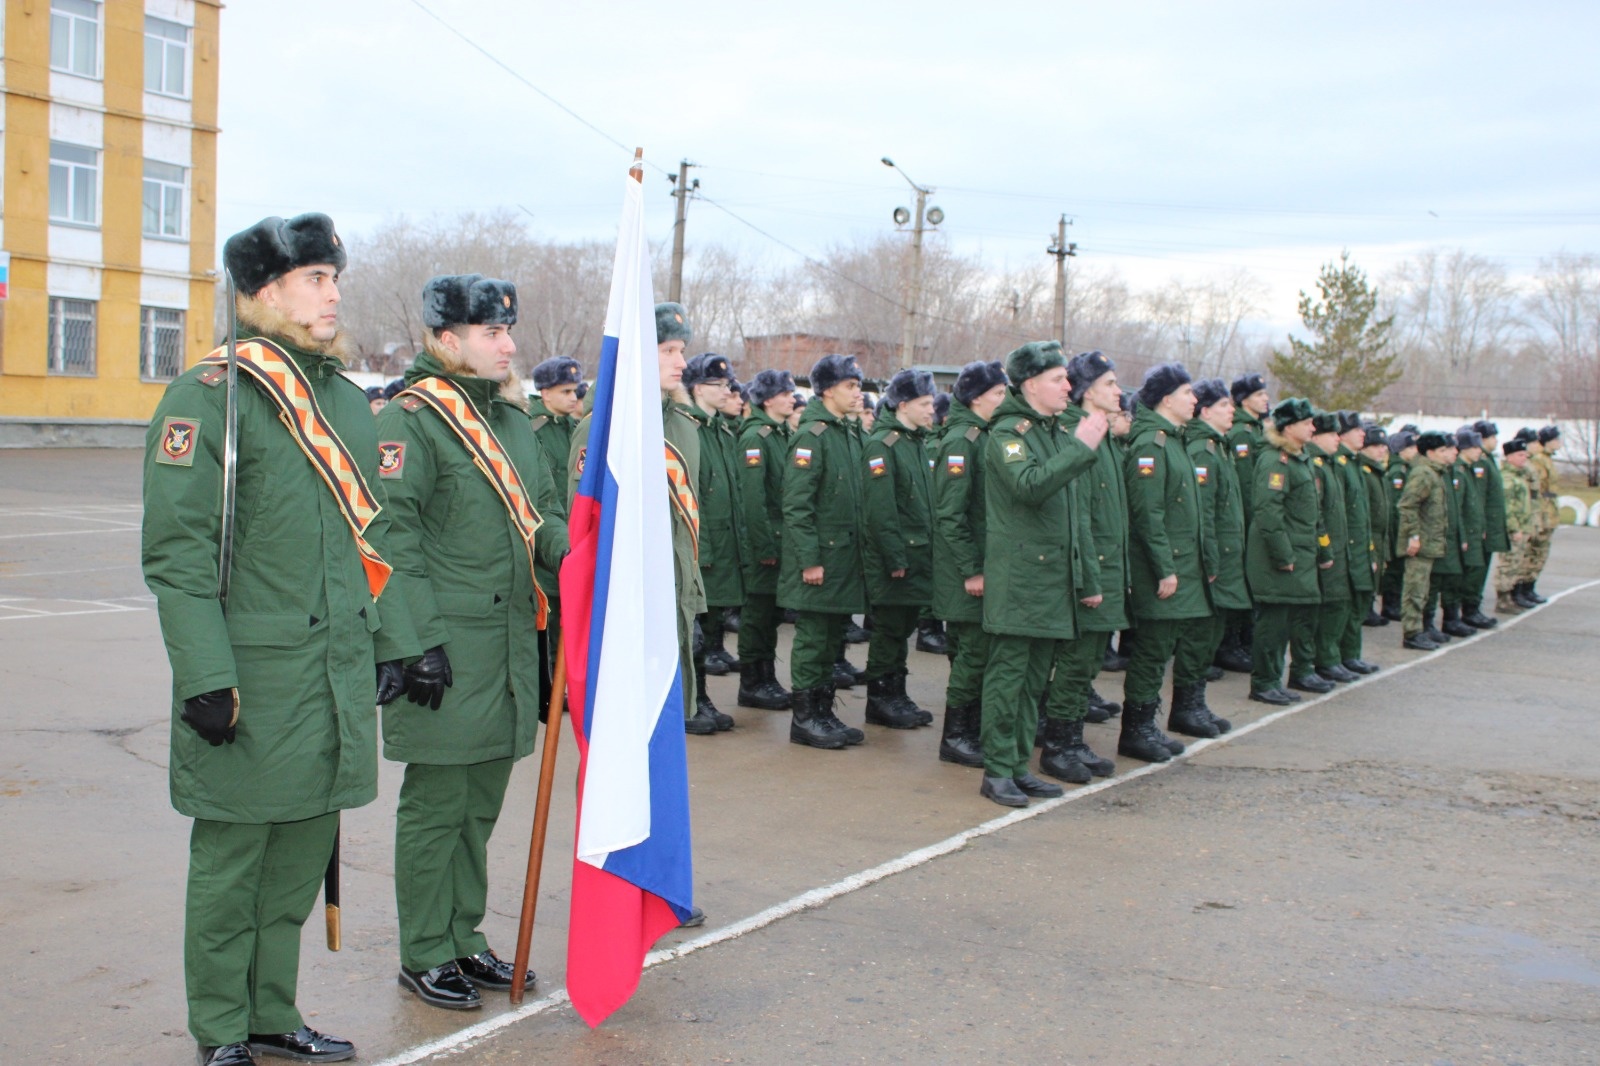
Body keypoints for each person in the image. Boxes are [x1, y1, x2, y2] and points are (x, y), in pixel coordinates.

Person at [143, 213, 413, 1066]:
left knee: (298, 860)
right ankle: (221, 1030)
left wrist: (393, 643)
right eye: (315, 279)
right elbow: (178, 557)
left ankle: (271, 1013)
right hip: (252, 678)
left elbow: (376, 542)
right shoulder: (210, 395)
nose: (333, 294)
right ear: (265, 294)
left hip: (330, 674)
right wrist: (202, 676)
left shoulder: (341, 401)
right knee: (232, 865)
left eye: (335, 278)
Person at [377, 273, 568, 1012]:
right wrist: (414, 640)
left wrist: (572, 553)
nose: (508, 344)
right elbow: (388, 538)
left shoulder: (514, 423)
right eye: (492, 332)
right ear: (447, 339)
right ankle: (424, 949)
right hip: (445, 651)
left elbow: (541, 515)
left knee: (479, 803)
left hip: (508, 649)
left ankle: (462, 935)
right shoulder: (414, 421)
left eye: (506, 331)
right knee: (436, 807)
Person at [978, 341, 1106, 806]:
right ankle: (996, 770)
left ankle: (1016, 765)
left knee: (1034, 680)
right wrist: (1081, 448)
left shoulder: (1052, 431)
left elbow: (1074, 517)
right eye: (1058, 379)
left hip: (1051, 579)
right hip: (1021, 579)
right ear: (1031, 384)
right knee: (1009, 676)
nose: (1068, 386)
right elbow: (1029, 486)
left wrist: (1086, 578)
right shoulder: (1008, 432)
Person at [570, 304, 707, 735]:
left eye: (681, 349)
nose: (681, 362)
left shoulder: (684, 425)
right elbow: (586, 529)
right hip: (625, 610)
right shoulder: (603, 429)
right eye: (667, 350)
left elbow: (684, 524)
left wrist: (692, 598)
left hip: (673, 598)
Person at [1036, 350, 1127, 783]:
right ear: (1089, 390)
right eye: (1110, 384)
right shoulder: (1080, 435)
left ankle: (1072, 739)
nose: (1119, 391)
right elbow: (1080, 519)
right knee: (1074, 664)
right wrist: (1089, 579)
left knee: (1087, 662)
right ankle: (1058, 745)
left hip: (1107, 568)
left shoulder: (1102, 434)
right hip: (1091, 572)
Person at [1120, 363, 1212, 759]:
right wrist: (1165, 568)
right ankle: (1136, 730)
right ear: (1166, 399)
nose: (1195, 400)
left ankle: (1147, 724)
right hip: (1159, 569)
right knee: (1151, 649)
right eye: (1188, 392)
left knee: (1163, 648)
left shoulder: (1173, 441)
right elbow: (1148, 514)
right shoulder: (1150, 446)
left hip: (1179, 567)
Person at [780, 354, 870, 748]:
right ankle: (805, 718)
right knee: (814, 637)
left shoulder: (846, 433)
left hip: (844, 559)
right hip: (821, 560)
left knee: (833, 638)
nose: (858, 393)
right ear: (828, 390)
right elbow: (798, 505)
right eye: (851, 386)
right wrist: (809, 559)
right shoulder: (812, 435)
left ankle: (823, 712)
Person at [931, 360, 1008, 767]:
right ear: (977, 398)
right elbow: (950, 514)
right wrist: (971, 569)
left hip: (979, 567)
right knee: (972, 655)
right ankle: (956, 735)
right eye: (998, 394)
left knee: (975, 652)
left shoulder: (983, 436)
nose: (1005, 400)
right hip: (965, 573)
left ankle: (971, 728)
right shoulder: (962, 440)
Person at [861, 368, 940, 729]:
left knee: (903, 628)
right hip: (896, 558)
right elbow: (881, 509)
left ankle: (897, 693)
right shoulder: (883, 445)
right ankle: (880, 699)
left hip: (917, 555)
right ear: (904, 404)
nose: (932, 410)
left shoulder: (915, 442)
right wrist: (894, 556)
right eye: (925, 404)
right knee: (889, 630)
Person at [1168, 377, 1244, 735]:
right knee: (1199, 634)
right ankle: (1186, 708)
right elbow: (1204, 513)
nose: (1232, 411)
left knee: (1210, 632)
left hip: (1223, 557)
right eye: (1225, 405)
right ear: (1206, 410)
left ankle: (1196, 703)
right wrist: (1210, 560)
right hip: (1208, 559)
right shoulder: (1201, 450)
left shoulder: (1217, 447)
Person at [1244, 398, 1327, 703]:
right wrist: (1283, 556)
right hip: (1278, 559)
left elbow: (1309, 512)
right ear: (1289, 427)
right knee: (1273, 623)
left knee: (1288, 620)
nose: (1312, 428)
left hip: (1300, 555)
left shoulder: (1299, 458)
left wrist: (1321, 550)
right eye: (1307, 423)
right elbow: (1268, 512)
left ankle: (1274, 679)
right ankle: (1264, 682)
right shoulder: (1274, 461)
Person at [681, 353, 747, 732]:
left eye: (728, 384)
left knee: (709, 629)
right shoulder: (689, 428)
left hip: (722, 550)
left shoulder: (721, 430)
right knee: (694, 631)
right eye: (719, 385)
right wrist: (698, 551)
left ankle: (700, 696)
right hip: (700, 551)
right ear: (697, 388)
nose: (728, 390)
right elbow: (690, 498)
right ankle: (692, 701)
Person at [733, 369, 798, 709]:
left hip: (779, 539)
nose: (793, 398)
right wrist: (763, 546)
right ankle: (753, 681)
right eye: (786, 393)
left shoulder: (780, 434)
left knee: (771, 613)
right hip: (764, 543)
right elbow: (753, 500)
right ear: (769, 399)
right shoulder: (756, 437)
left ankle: (766, 676)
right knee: (757, 614)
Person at [526, 356, 583, 713]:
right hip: (544, 539)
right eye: (565, 391)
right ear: (544, 393)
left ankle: (559, 683)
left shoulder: (570, 427)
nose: (574, 398)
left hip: (569, 536)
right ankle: (544, 686)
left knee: (565, 615)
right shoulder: (533, 430)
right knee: (545, 617)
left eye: (576, 390)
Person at [1396, 431, 1457, 650]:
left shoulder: (1435, 472)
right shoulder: (1423, 473)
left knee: (1424, 589)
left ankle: (1420, 629)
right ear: (1429, 453)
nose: (1446, 454)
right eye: (1441, 451)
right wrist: (1413, 536)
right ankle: (1411, 632)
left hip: (1430, 542)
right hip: (1420, 544)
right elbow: (1407, 505)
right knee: (1415, 588)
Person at [1448, 427, 1495, 632]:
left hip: (1475, 532)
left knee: (1475, 572)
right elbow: (1457, 508)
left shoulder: (1470, 470)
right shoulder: (1458, 471)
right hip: (1464, 534)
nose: (1479, 451)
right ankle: (1455, 617)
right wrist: (1464, 534)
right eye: (1475, 447)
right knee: (1460, 576)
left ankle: (1470, 611)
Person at [1466, 419, 1509, 626]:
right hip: (1481, 527)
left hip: (1488, 525)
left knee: (1481, 568)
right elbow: (1478, 497)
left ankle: (1473, 608)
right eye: (1492, 437)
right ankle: (1470, 609)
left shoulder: (1488, 459)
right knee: (1476, 569)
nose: (1495, 440)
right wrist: (1481, 526)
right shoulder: (1480, 462)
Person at [1355, 424, 1393, 629]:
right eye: (1376, 445)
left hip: (1380, 532)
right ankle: (1366, 608)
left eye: (1383, 446)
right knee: (1369, 570)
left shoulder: (1378, 471)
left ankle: (1369, 607)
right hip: (1370, 532)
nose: (1382, 449)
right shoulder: (1364, 471)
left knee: (1377, 570)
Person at [1379, 428, 1418, 620]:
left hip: (1402, 529)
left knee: (1399, 569)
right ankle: (1390, 605)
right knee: (1394, 570)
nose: (1415, 451)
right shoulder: (1397, 472)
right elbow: (1397, 506)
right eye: (1411, 447)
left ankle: (1394, 603)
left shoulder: (1406, 469)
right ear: (1401, 450)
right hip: (1397, 529)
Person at [1495, 437, 1537, 612]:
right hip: (1514, 529)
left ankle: (1511, 596)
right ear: (1509, 457)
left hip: (1523, 527)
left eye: (1525, 454)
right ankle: (1503, 599)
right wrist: (1514, 528)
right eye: (1520, 455)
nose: (1524, 458)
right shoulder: (1507, 478)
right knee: (1508, 564)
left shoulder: (1519, 475)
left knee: (1517, 563)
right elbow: (1507, 508)